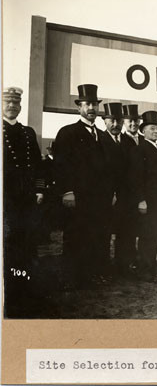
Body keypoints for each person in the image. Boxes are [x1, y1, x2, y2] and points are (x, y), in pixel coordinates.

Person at [54, 84, 110, 289]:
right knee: (76, 236)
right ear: (79, 108)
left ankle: (93, 274)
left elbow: (108, 169)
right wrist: (67, 191)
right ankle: (71, 278)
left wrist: (109, 193)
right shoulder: (67, 133)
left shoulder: (102, 136)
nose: (91, 108)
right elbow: (60, 165)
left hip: (99, 199)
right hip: (78, 197)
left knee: (97, 236)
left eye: (94, 104)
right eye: (87, 104)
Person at [3, 86, 44, 316]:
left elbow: (38, 165)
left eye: (16, 104)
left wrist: (39, 190)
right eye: (8, 102)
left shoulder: (28, 133)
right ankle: (10, 290)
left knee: (28, 244)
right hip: (6, 200)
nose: (12, 107)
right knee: (9, 245)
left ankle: (26, 286)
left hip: (28, 200)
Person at [129, 111, 157, 282]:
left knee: (154, 235)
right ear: (143, 131)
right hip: (148, 202)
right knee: (147, 236)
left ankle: (150, 268)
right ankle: (145, 270)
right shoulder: (140, 150)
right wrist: (141, 200)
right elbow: (136, 177)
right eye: (152, 128)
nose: (156, 131)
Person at [100, 102, 137, 280]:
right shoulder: (99, 140)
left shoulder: (129, 142)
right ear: (104, 121)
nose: (115, 125)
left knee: (126, 232)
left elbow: (133, 170)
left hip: (126, 197)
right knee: (104, 232)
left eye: (118, 121)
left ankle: (124, 265)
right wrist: (109, 192)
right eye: (111, 121)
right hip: (106, 196)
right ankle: (104, 268)